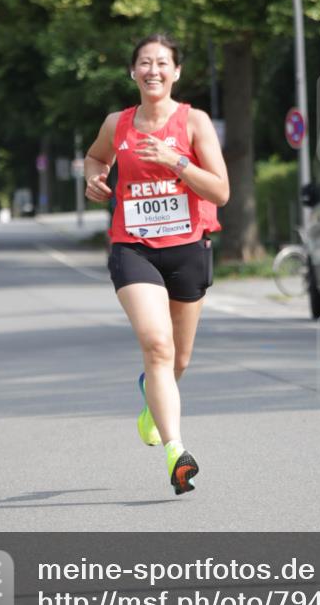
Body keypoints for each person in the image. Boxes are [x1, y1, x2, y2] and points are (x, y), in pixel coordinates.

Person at [84, 34, 229, 495]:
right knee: (157, 344)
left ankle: (151, 400)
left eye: (162, 63)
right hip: (135, 249)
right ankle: (176, 452)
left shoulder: (194, 122)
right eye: (144, 63)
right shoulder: (117, 123)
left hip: (188, 247)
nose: (153, 70)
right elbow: (95, 157)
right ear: (133, 72)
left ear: (176, 72)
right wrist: (94, 177)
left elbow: (221, 191)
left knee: (178, 359)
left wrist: (176, 161)